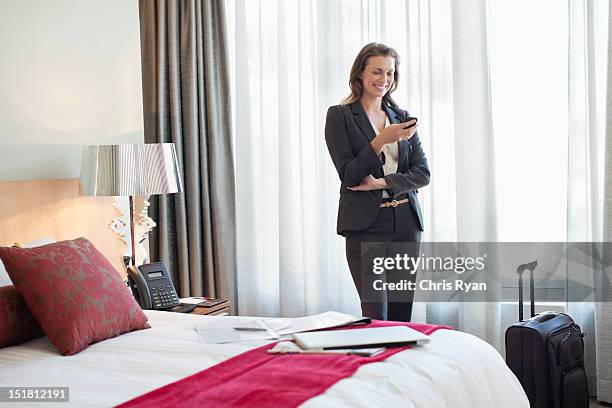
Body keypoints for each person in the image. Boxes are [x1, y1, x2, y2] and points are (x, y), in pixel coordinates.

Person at [325, 42, 430, 321]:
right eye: (377, 71)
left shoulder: (403, 118)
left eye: (390, 73)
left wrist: (383, 183)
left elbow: (423, 173)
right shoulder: (340, 116)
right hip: (366, 226)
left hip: (406, 222)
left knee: (400, 313)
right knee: (376, 314)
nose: (384, 80)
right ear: (360, 72)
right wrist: (381, 140)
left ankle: (399, 366)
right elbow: (349, 174)